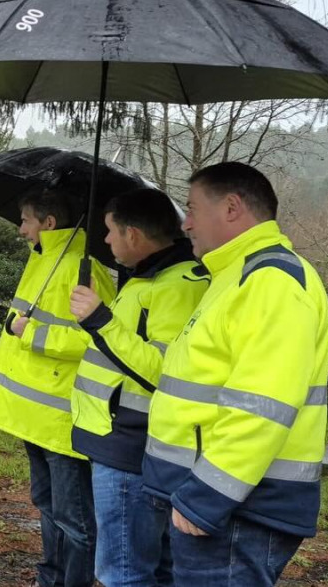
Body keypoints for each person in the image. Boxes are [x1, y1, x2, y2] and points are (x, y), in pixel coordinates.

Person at [140, 162, 328, 586]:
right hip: (219, 503)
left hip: (234, 509)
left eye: (191, 209)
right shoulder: (232, 278)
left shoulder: (269, 281)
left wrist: (207, 497)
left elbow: (263, 405)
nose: (185, 223)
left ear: (231, 207)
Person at [0, 188, 116, 587]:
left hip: (63, 421)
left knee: (75, 520)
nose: (21, 229)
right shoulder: (43, 261)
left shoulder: (83, 270)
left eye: (25, 220)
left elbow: (99, 338)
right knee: (48, 506)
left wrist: (30, 331)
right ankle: (50, 577)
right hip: (35, 418)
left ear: (49, 223)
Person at [68, 188, 210, 587]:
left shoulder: (178, 285)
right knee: (149, 567)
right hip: (117, 441)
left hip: (131, 450)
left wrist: (100, 319)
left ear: (132, 234)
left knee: (123, 573)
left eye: (110, 232)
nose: (107, 240)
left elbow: (165, 373)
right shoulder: (147, 278)